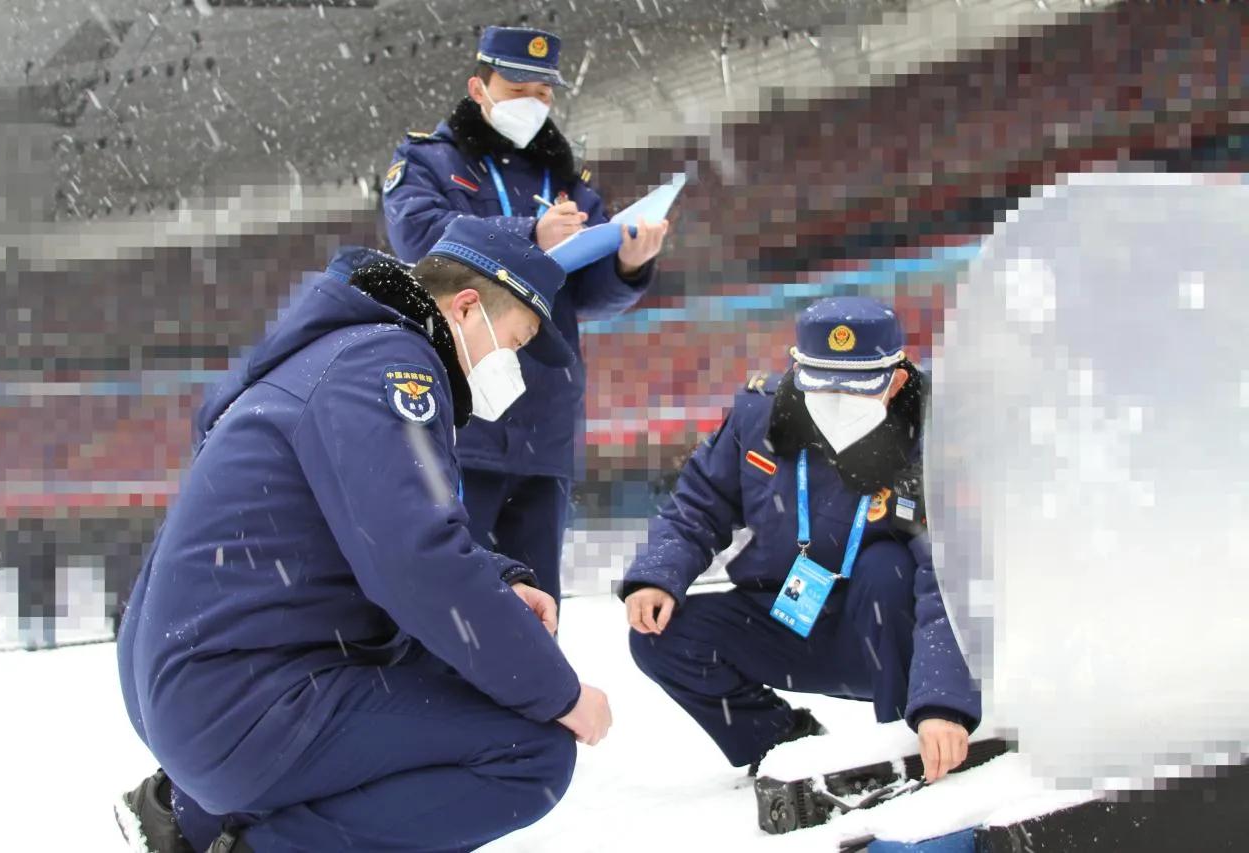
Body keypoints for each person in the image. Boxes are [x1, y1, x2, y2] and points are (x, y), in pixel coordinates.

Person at [115, 218, 612, 853]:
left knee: (448, 666)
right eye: (512, 343)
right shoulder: (391, 365)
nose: (508, 368)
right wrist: (561, 693)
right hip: (234, 701)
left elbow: (364, 530)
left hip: (201, 688)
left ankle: (191, 822)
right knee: (531, 753)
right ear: (466, 308)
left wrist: (498, 579)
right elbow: (416, 562)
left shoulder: (342, 351)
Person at [622, 296, 981, 780]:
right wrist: (657, 577)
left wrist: (943, 702)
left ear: (895, 381)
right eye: (820, 387)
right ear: (795, 369)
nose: (836, 403)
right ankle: (784, 746)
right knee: (663, 637)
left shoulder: (934, 439)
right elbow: (698, 503)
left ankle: (909, 741)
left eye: (856, 390)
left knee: (888, 567)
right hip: (788, 615)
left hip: (887, 632)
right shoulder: (758, 417)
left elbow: (950, 572)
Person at [382, 26, 669, 607]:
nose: (533, 104)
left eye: (544, 94)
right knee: (457, 593)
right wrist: (527, 233)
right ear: (479, 87)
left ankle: (538, 698)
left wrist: (630, 267)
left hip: (546, 419)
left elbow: (584, 295)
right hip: (464, 412)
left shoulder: (567, 183)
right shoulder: (429, 161)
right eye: (518, 87)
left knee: (538, 600)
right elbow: (418, 240)